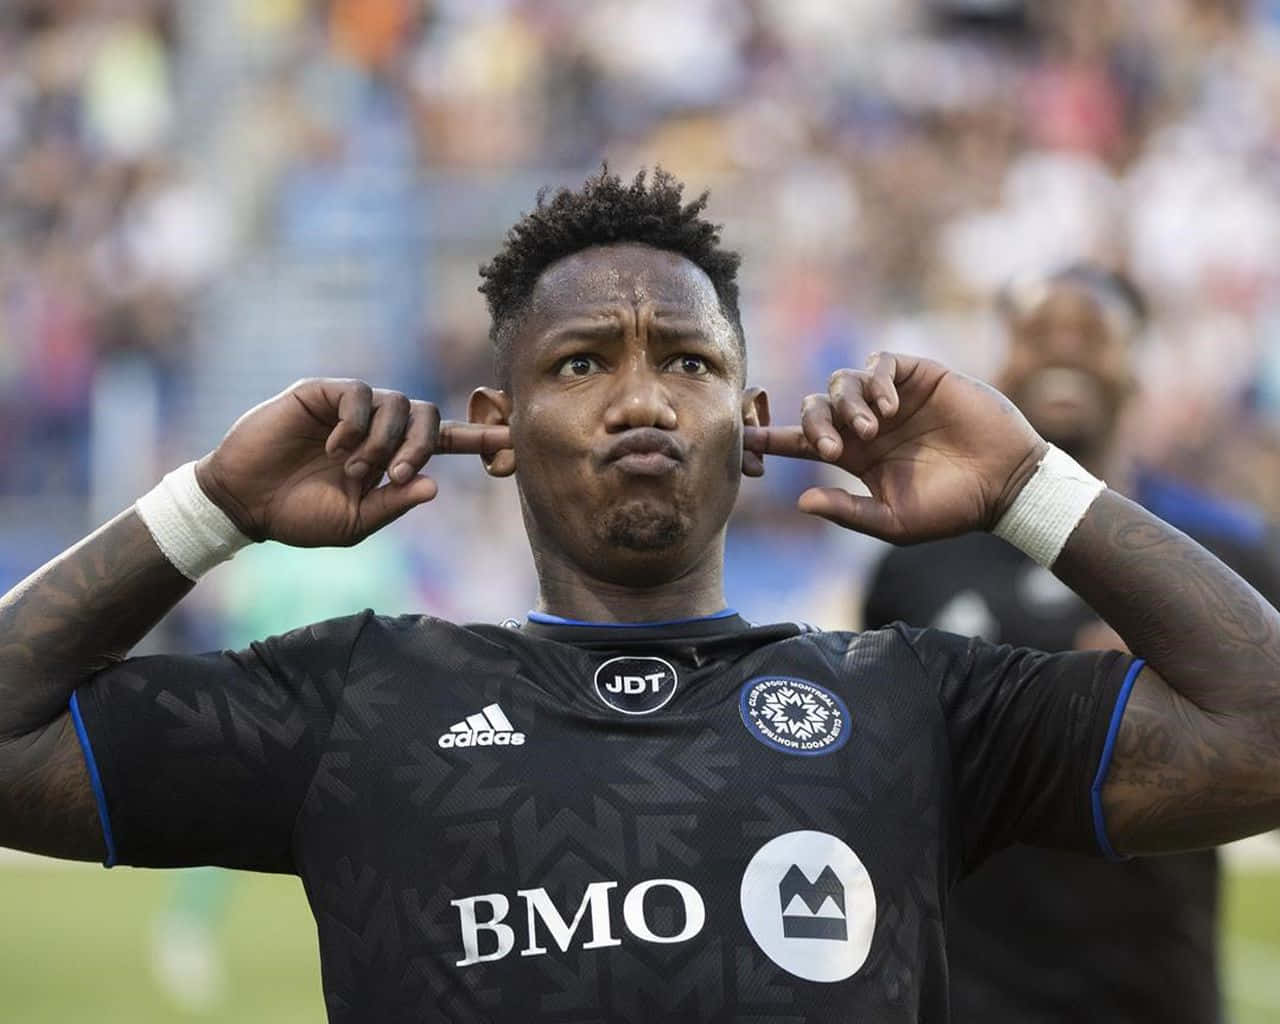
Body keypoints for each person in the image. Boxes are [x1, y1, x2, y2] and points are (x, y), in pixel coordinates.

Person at [2, 168, 1280, 1023]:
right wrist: (209, 507)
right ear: (495, 426)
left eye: (687, 361)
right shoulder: (357, 702)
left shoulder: (910, 702)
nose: (639, 399)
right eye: (578, 363)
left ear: (753, 422)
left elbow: (1260, 734)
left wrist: (1025, 488)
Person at [862, 264, 1280, 1023]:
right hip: (969, 989)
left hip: (1153, 989)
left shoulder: (1223, 562)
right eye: (1036, 332)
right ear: (1002, 363)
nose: (1062, 348)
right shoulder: (914, 560)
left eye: (1091, 332)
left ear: (1136, 363)